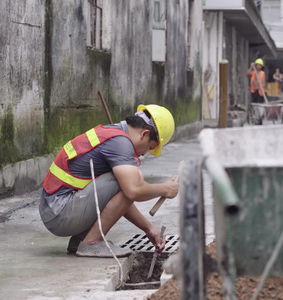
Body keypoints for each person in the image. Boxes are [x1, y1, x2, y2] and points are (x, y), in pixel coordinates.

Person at [39, 104, 179, 258]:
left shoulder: (112, 133)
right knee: (132, 179)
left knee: (127, 180)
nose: (145, 153)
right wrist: (165, 189)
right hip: (60, 213)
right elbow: (133, 190)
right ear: (145, 134)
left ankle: (80, 239)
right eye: (150, 147)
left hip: (55, 210)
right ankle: (92, 242)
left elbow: (119, 199)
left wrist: (149, 229)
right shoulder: (120, 142)